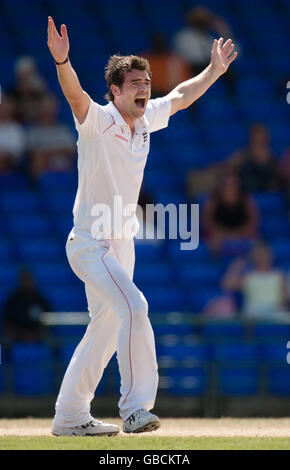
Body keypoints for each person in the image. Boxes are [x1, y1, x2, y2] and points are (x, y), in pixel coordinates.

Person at [47, 15, 237, 437]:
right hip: (90, 243)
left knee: (105, 329)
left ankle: (69, 415)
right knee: (135, 307)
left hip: (121, 244)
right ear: (114, 91)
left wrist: (213, 70)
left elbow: (183, 95)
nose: (144, 89)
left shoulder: (146, 119)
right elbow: (76, 97)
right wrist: (63, 63)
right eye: (134, 84)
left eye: (146, 82)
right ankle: (135, 409)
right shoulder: (98, 122)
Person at [221, 242, 289, 319]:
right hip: (253, 312)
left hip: (275, 312)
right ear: (254, 256)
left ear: (270, 255)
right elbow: (227, 285)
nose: (262, 256)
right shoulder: (248, 276)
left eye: (264, 253)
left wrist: (275, 308)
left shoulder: (279, 275)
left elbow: (284, 299)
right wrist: (238, 264)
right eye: (259, 254)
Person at [202, 172, 259, 255]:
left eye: (233, 184)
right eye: (225, 184)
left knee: (257, 245)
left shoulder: (246, 199)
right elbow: (207, 221)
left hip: (242, 234)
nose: (229, 187)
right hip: (219, 234)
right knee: (212, 244)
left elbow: (253, 220)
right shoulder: (213, 200)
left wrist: (239, 234)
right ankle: (216, 265)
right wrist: (222, 234)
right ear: (220, 186)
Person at [26, 94, 76, 179]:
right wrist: (59, 150)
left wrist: (47, 152)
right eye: (45, 107)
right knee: (38, 159)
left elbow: (72, 150)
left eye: (50, 106)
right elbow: (33, 153)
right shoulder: (33, 131)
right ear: (39, 108)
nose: (48, 110)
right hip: (43, 170)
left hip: (63, 169)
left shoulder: (63, 130)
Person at [227, 123, 281, 192]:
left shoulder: (272, 157)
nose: (258, 140)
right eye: (255, 138)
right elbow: (229, 166)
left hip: (268, 189)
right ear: (251, 139)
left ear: (266, 138)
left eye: (260, 137)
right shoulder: (242, 155)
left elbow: (277, 178)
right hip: (246, 190)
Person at [2, 270, 51, 343]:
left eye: (29, 280)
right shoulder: (12, 300)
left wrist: (35, 334)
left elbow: (48, 321)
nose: (27, 284)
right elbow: (6, 322)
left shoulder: (41, 300)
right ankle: (6, 354)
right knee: (5, 341)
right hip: (16, 334)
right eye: (25, 281)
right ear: (20, 282)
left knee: (53, 342)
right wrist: (21, 333)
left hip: (38, 334)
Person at [142, 33, 191, 98]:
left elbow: (186, 84)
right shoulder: (144, 61)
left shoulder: (175, 61)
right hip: (150, 98)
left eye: (161, 43)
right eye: (157, 43)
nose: (159, 45)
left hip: (173, 97)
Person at [0, 94, 26, 173]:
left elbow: (17, 151)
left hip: (10, 162)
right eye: (1, 108)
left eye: (6, 108)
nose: (3, 111)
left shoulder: (16, 129)